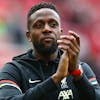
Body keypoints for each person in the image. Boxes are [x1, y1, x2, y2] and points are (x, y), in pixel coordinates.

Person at [0, 2, 100, 100]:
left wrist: (77, 74)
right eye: (39, 25)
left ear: (60, 32)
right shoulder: (14, 70)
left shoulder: (80, 68)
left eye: (53, 24)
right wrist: (55, 79)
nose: (47, 29)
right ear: (28, 35)